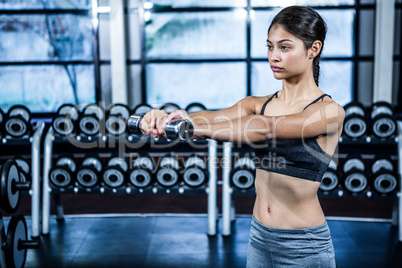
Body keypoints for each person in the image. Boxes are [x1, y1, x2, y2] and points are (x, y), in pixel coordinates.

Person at [140, 5, 345, 267]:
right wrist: (172, 117)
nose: (274, 56)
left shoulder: (329, 111)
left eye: (284, 47)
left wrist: (190, 129)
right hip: (259, 238)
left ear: (313, 49)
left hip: (303, 246)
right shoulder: (256, 103)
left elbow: (265, 128)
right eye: (270, 47)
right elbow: (213, 117)